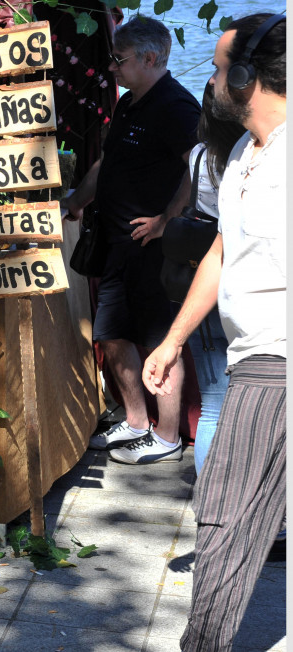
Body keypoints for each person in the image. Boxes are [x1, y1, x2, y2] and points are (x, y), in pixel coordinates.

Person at [140, 13, 285, 650]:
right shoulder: (242, 157)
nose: (212, 76)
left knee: (223, 514)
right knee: (231, 515)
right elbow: (221, 253)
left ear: (250, 77)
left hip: (276, 364)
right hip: (253, 355)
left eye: (223, 67)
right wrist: (172, 341)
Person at [64, 15, 200, 464]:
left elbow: (198, 167)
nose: (112, 68)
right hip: (117, 244)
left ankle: (166, 437)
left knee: (160, 341)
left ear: (149, 57)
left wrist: (166, 219)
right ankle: (137, 421)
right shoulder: (128, 104)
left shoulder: (176, 105)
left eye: (119, 60)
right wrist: (77, 201)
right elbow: (108, 162)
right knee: (112, 333)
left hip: (154, 250)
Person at [153, 82, 246, 475]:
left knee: (212, 401)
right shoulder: (244, 161)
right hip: (233, 276)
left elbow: (183, 204)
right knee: (233, 399)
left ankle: (208, 495)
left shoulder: (198, 155)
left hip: (195, 276)